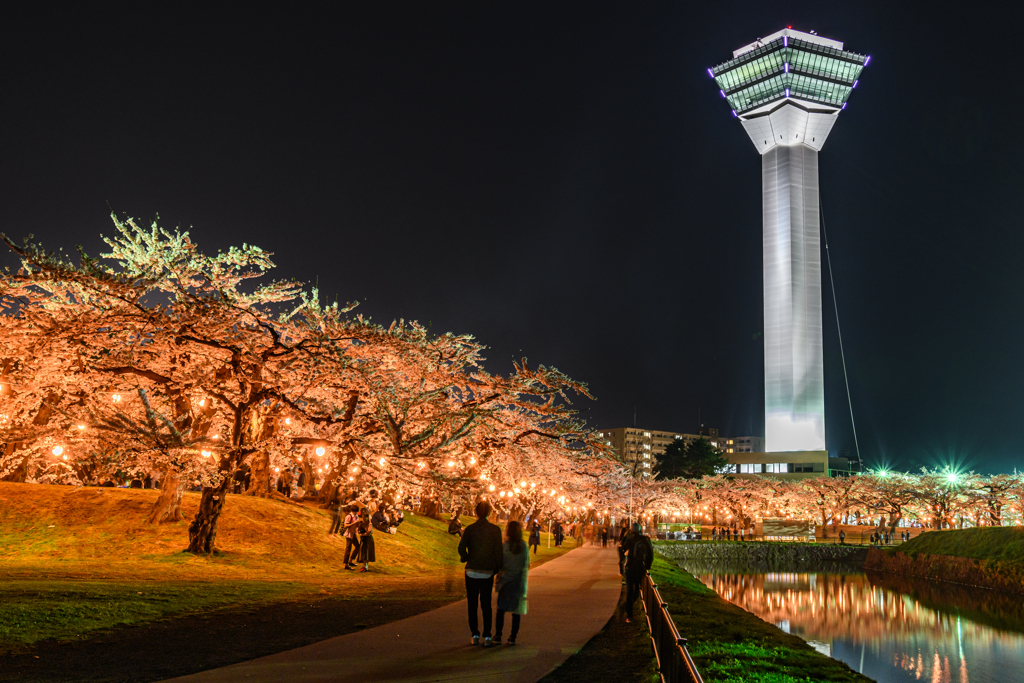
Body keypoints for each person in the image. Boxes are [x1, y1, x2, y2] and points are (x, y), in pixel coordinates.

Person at [457, 500, 503, 647]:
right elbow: (499, 553)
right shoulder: (495, 531)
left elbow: (461, 547)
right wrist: (495, 569)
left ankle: (475, 634)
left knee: (472, 604)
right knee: (486, 605)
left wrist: (466, 558)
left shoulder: (470, 529)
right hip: (487, 572)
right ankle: (488, 636)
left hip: (471, 571)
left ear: (476, 513)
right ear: (489, 513)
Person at [494, 520, 530, 645]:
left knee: (501, 609)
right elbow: (526, 564)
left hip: (505, 581)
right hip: (518, 581)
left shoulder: (505, 546)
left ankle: (498, 635)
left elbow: (499, 562)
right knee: (516, 611)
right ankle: (512, 637)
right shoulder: (523, 546)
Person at [622, 522, 654, 623]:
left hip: (629, 568)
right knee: (636, 590)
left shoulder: (630, 539)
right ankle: (628, 607)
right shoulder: (645, 540)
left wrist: (626, 536)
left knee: (629, 591)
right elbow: (650, 554)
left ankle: (629, 615)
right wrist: (647, 566)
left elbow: (623, 548)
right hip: (639, 568)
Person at [343, 505, 361, 569]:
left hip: (353, 534)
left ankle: (351, 560)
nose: (355, 513)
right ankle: (346, 564)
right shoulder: (349, 516)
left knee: (358, 547)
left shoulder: (356, 516)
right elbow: (345, 526)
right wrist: (354, 523)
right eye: (355, 512)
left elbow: (356, 525)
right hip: (348, 534)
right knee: (348, 549)